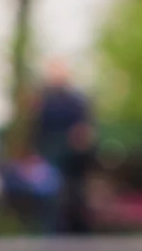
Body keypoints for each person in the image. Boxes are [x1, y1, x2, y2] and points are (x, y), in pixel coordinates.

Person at [28, 61, 97, 235]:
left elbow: (84, 130)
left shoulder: (76, 99)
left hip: (73, 160)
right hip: (50, 157)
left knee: (74, 198)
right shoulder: (43, 100)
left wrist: (80, 139)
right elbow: (36, 130)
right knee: (51, 199)